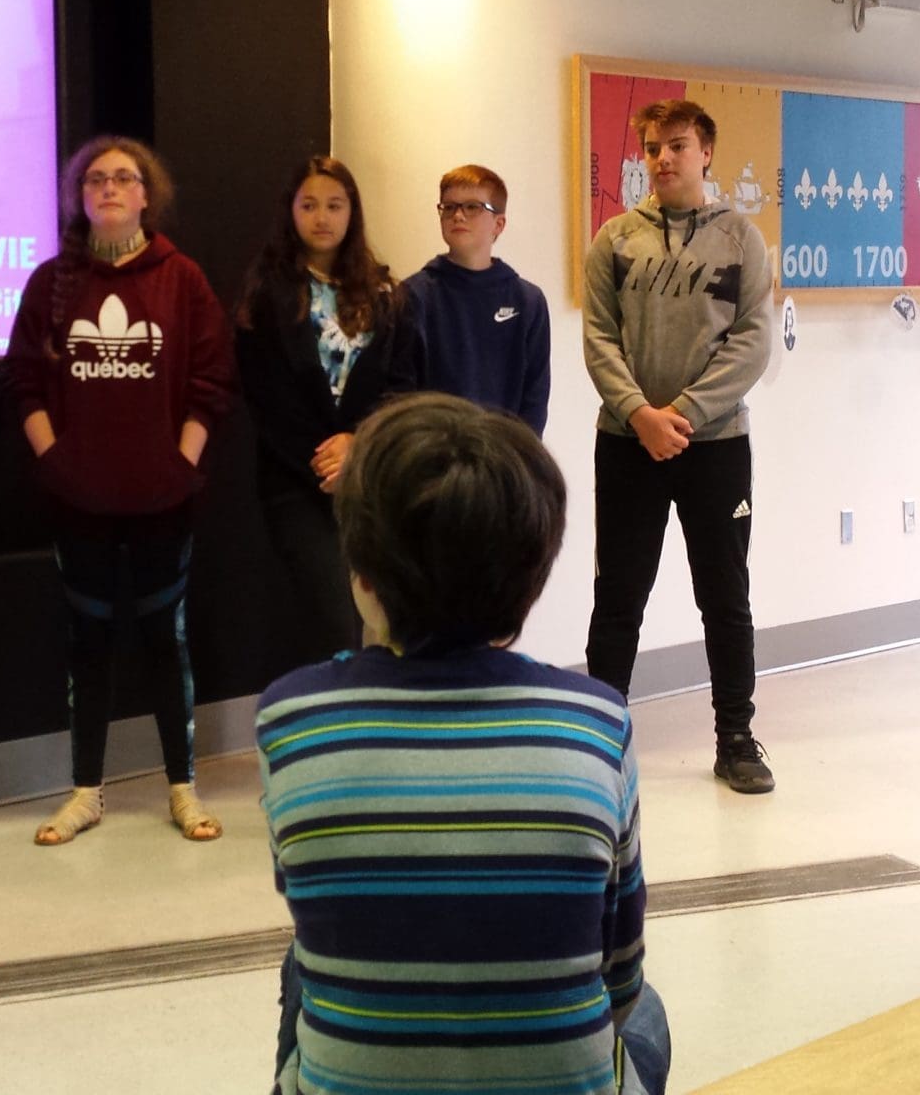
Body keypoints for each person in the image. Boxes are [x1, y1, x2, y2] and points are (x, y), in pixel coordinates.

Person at [257, 393, 669, 1095]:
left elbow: (309, 895)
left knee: (306, 962)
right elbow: (620, 973)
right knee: (647, 1013)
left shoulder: (290, 719)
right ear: (532, 578)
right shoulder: (597, 722)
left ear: (360, 569)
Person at [0, 136, 236, 847]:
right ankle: (86, 794)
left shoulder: (182, 278)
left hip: (166, 500)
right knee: (89, 644)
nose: (108, 188)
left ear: (145, 196)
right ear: (80, 196)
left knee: (168, 641)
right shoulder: (51, 283)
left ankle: (182, 790)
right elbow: (22, 382)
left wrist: (181, 464)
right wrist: (57, 459)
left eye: (123, 178)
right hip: (79, 503)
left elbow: (211, 381)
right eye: (95, 179)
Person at [581, 98, 775, 792]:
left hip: (715, 446)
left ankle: (736, 738)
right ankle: (601, 740)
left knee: (725, 596)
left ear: (706, 154)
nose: (662, 158)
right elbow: (599, 339)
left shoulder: (740, 239)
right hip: (627, 443)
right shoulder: (614, 240)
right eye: (653, 147)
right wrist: (640, 415)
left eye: (677, 145)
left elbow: (755, 341)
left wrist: (683, 415)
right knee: (619, 594)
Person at [234, 155, 418, 659]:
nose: (322, 216)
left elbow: (402, 386)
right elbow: (266, 400)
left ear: (351, 212)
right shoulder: (268, 294)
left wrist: (358, 445)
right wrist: (327, 461)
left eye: (335, 205)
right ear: (290, 212)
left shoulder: (386, 292)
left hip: (371, 478)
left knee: (389, 621)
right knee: (334, 624)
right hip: (296, 484)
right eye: (309, 204)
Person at [401, 163, 551, 433]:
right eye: (449, 207)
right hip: (430, 458)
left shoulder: (528, 301)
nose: (458, 215)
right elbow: (402, 393)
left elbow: (535, 397)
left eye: (472, 207)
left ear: (499, 224)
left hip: (504, 460)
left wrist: (519, 461)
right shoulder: (414, 295)